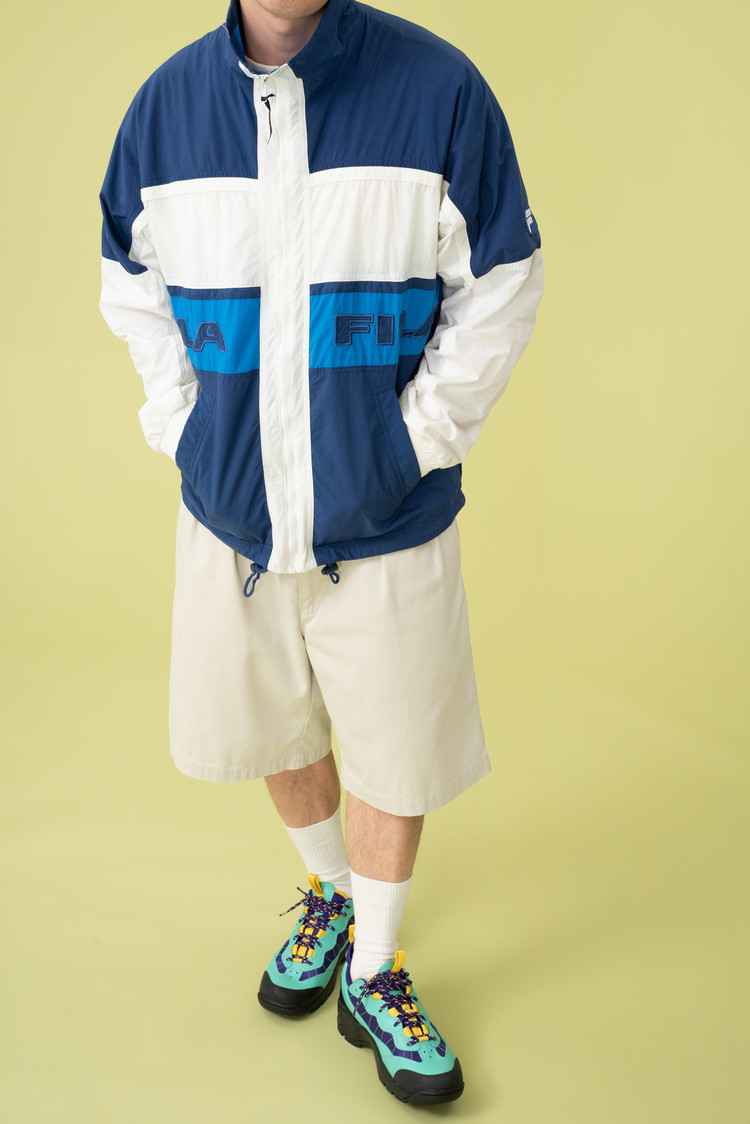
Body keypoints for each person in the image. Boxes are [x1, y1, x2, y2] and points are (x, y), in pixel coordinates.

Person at [99, 0, 543, 1105]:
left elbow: (504, 278)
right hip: (234, 514)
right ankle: (331, 893)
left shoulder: (439, 90)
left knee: (398, 745)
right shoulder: (163, 111)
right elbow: (129, 284)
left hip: (386, 514)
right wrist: (186, 428)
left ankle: (375, 968)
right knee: (274, 723)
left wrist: (414, 441)